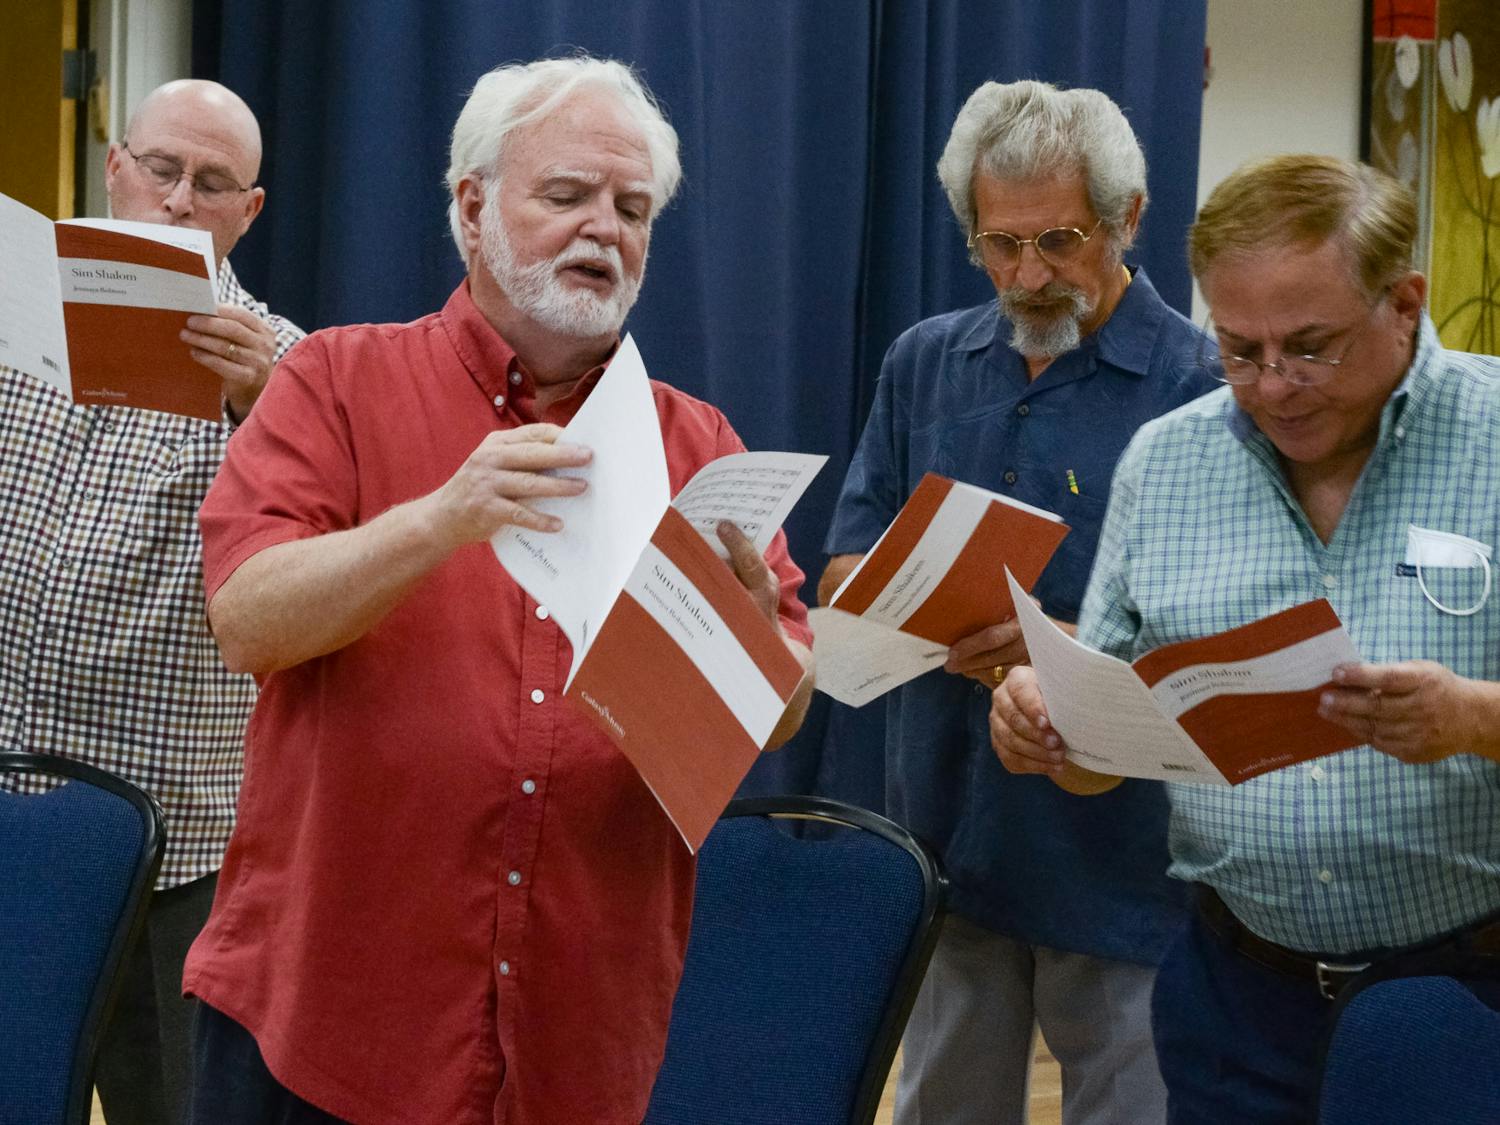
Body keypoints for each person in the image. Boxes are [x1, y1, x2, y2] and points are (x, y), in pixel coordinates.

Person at [183, 55, 814, 1125]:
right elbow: (245, 621)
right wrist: (441, 521)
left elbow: (783, 712)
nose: (603, 231)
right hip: (331, 1026)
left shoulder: (699, 445)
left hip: (578, 1036)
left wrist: (755, 649)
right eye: (566, 196)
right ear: (472, 208)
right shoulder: (333, 380)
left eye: (631, 208)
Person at [991, 153, 1500, 1123]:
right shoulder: (1169, 461)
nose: (1273, 385)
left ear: (1405, 302)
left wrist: (1471, 717)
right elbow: (1101, 748)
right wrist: (1049, 731)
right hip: (1236, 1001)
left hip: (1468, 998)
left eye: (1311, 346)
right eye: (1238, 348)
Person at [819, 80, 1214, 1125]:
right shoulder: (927, 364)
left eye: (1060, 240)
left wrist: (1075, 651)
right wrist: (903, 603)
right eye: (1000, 245)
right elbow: (844, 571)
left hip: (1131, 870)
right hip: (956, 848)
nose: (1028, 276)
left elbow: (1223, 643)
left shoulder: (1200, 389)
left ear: (1129, 219)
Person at [0, 79, 302, 1125]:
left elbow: (344, 544)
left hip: (171, 850)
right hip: (6, 805)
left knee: (168, 1109)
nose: (178, 202)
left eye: (211, 184)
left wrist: (262, 404)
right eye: (162, 170)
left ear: (248, 212)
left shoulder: (292, 373)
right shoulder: (16, 316)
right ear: (116, 167)